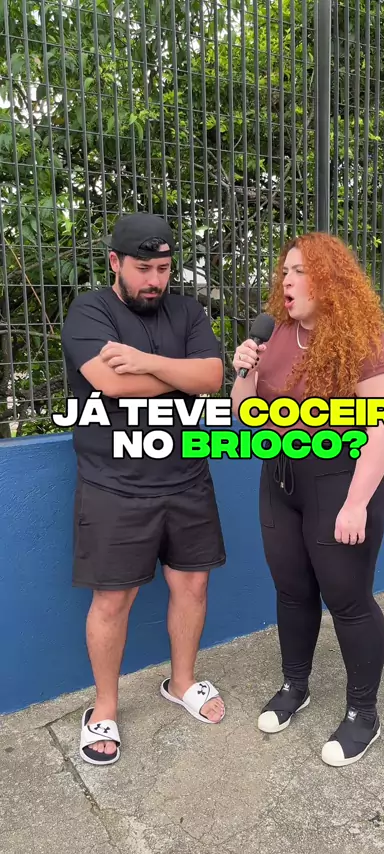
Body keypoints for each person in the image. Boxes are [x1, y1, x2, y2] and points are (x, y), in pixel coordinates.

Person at [61, 212, 227, 766]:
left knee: (193, 586)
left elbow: (212, 378)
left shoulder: (188, 311)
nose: (154, 280)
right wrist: (177, 375)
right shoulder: (90, 311)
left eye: (163, 268)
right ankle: (105, 708)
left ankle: (182, 683)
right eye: (142, 269)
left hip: (187, 476)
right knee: (114, 599)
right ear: (115, 262)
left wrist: (145, 363)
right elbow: (111, 384)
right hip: (114, 484)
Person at [230, 232, 384, 768]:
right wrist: (244, 372)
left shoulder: (365, 341)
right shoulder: (274, 335)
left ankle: (363, 714)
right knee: (292, 590)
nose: (287, 280)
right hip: (280, 479)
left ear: (328, 281)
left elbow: (383, 429)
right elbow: (244, 415)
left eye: (300, 271)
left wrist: (356, 503)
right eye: (285, 271)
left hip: (340, 482)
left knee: (348, 599)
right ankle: (295, 686)